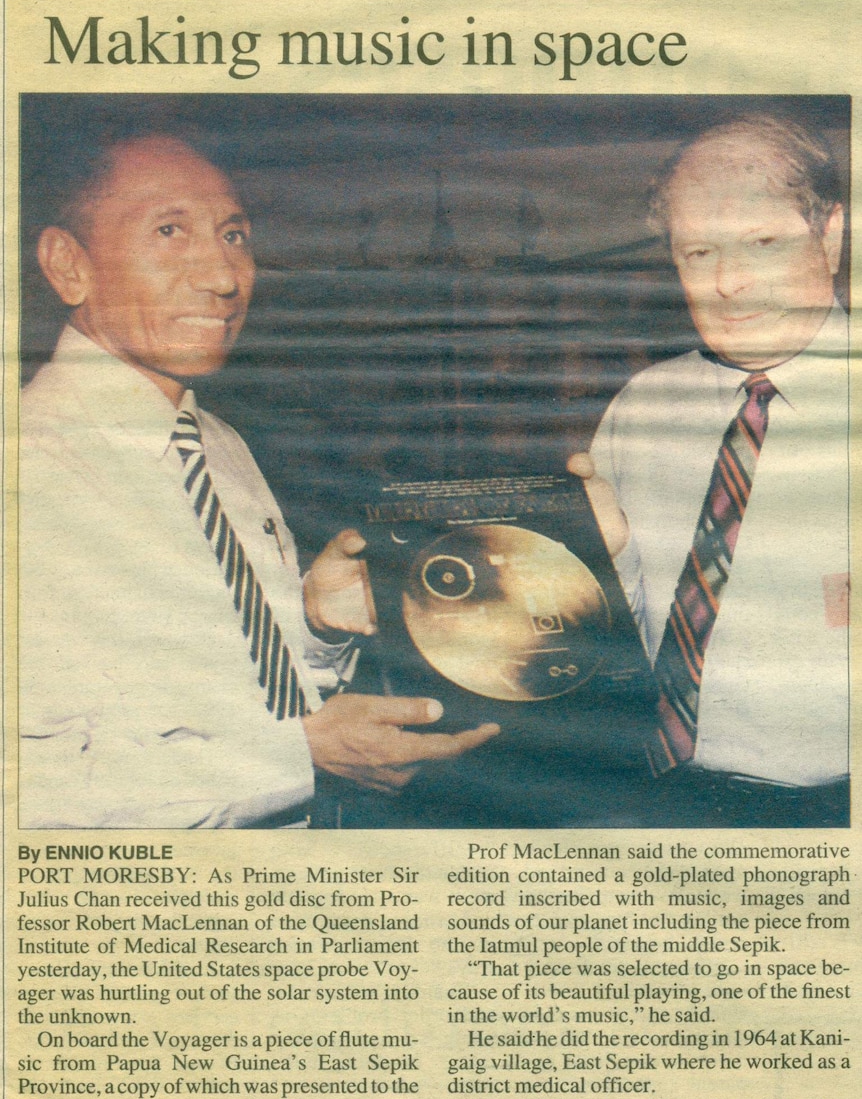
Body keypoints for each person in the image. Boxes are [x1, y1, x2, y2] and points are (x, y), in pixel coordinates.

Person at [19, 133, 498, 829]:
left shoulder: (217, 442)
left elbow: (242, 682)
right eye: (170, 231)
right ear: (69, 265)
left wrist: (314, 622)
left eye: (234, 234)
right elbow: (36, 788)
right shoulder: (30, 469)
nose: (221, 276)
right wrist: (300, 756)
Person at [571, 114, 849, 827]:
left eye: (761, 242)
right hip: (652, 799)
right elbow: (612, 641)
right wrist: (597, 565)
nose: (728, 283)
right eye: (698, 253)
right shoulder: (643, 405)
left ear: (832, 236)